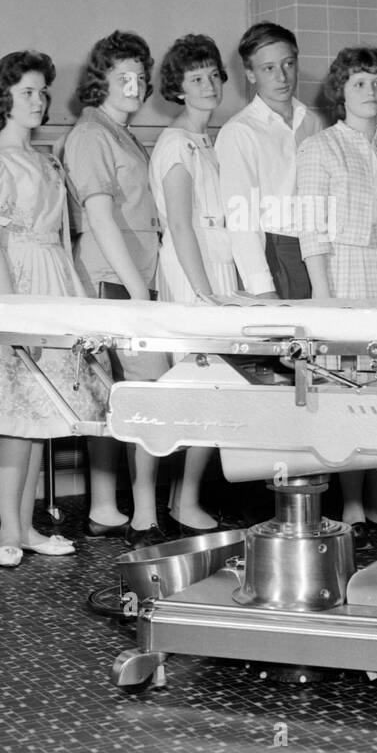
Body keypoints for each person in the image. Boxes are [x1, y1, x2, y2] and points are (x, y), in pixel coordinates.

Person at [0, 51, 107, 567]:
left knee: (41, 418)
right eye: (26, 93)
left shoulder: (48, 159)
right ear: (3, 100)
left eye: (42, 92)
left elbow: (60, 238)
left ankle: (28, 526)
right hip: (12, 285)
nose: (38, 101)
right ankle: (7, 532)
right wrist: (15, 316)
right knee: (15, 419)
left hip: (53, 281)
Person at [297, 46, 377, 547]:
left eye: (376, 83)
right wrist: (324, 295)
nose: (369, 92)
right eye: (358, 84)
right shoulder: (321, 148)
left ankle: (376, 502)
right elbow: (311, 229)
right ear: (340, 93)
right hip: (347, 270)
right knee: (354, 388)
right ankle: (351, 506)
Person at [59, 31, 168, 548]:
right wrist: (138, 290)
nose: (136, 84)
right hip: (113, 280)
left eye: (141, 76)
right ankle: (143, 515)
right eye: (124, 75)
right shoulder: (90, 134)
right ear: (100, 79)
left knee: (116, 399)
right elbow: (100, 217)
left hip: (128, 279)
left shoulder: (118, 132)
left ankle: (106, 509)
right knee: (140, 397)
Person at [149, 34, 239, 533]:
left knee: (215, 387)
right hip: (192, 271)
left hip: (216, 265)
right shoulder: (176, 143)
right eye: (195, 78)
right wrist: (204, 293)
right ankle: (182, 503)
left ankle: (186, 498)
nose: (207, 85)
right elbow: (181, 226)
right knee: (201, 386)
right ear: (178, 89)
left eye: (212, 75)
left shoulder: (211, 140)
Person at [215, 22, 323, 299]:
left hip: (318, 253)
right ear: (250, 74)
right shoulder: (240, 132)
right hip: (275, 254)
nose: (282, 77)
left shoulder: (312, 122)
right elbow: (242, 219)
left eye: (288, 64)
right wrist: (263, 290)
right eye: (268, 69)